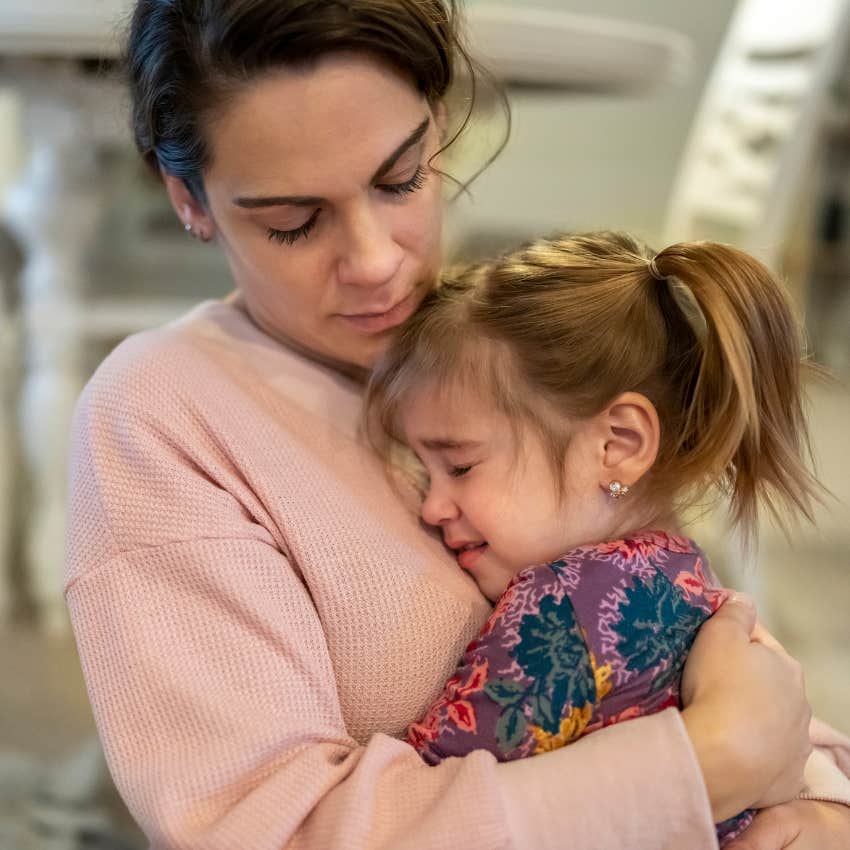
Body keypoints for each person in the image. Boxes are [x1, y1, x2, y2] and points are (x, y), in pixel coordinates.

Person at [63, 2, 850, 848]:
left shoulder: (486, 354)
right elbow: (270, 831)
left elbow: (708, 650)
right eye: (293, 222)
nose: (375, 262)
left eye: (400, 179)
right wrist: (701, 769)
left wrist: (820, 806)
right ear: (189, 199)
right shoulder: (164, 414)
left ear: (440, 125)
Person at [365, 231, 829, 846]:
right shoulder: (679, 566)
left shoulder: (562, 608)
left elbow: (430, 800)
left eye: (461, 466)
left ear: (618, 444)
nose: (431, 505)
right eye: (427, 472)